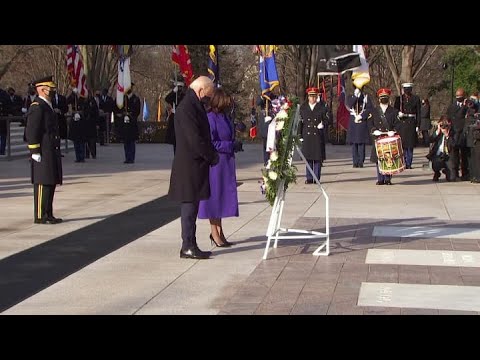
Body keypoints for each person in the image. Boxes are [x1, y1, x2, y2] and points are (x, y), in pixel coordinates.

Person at [168, 76, 219, 260]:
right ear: (200, 91)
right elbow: (195, 139)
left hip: (194, 165)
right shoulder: (187, 108)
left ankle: (191, 243)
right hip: (189, 166)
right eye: (209, 95)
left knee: (193, 207)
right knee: (189, 208)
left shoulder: (192, 104)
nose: (209, 99)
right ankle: (187, 245)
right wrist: (211, 155)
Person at [198, 88, 238, 247]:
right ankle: (214, 233)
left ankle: (219, 231)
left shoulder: (224, 116)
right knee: (214, 199)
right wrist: (230, 145)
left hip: (225, 163)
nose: (229, 105)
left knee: (221, 198)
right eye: (227, 102)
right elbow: (212, 142)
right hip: (215, 164)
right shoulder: (210, 118)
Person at [25, 76, 63, 224]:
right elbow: (32, 131)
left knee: (51, 181)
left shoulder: (47, 105)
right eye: (50, 89)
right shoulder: (37, 106)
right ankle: (41, 215)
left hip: (50, 148)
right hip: (43, 150)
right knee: (43, 182)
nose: (52, 91)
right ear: (41, 89)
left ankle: (48, 213)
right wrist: (35, 151)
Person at [368, 88, 398, 185]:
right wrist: (373, 130)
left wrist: (393, 131)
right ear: (379, 99)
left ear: (388, 98)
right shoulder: (374, 111)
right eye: (382, 97)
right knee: (379, 158)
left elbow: (397, 124)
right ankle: (380, 178)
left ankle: (388, 178)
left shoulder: (393, 111)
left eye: (385, 97)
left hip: (389, 137)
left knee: (389, 157)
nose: (384, 99)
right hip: (378, 137)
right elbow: (370, 123)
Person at [298, 87, 328, 183]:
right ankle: (309, 177)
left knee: (317, 158)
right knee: (308, 158)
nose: (313, 98)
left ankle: (316, 177)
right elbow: (300, 122)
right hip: (307, 135)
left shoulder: (322, 107)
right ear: (308, 97)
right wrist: (300, 136)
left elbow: (328, 119)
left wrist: (323, 123)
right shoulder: (303, 107)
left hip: (317, 135)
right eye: (311, 96)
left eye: (314, 96)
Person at [393, 82, 421, 169]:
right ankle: (404, 161)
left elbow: (419, 113)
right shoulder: (399, 99)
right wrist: (398, 114)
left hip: (411, 122)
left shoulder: (416, 99)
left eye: (408, 89)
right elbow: (395, 111)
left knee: (410, 144)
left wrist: (418, 125)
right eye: (406, 89)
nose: (407, 91)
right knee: (403, 144)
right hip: (402, 123)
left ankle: (409, 162)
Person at [113, 82, 140, 163]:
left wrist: (130, 115)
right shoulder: (122, 98)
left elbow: (137, 111)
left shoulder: (135, 99)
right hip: (124, 124)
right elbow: (116, 107)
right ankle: (127, 157)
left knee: (131, 141)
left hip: (131, 123)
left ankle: (131, 158)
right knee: (125, 141)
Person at [346, 84, 372, 168]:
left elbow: (369, 108)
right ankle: (355, 161)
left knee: (361, 143)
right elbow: (349, 104)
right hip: (353, 121)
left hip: (361, 120)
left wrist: (361, 116)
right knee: (354, 143)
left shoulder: (365, 97)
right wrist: (355, 96)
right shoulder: (350, 96)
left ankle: (361, 161)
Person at [446, 88, 469, 180]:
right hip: (454, 132)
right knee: (454, 154)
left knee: (464, 154)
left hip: (463, 132)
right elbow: (449, 117)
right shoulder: (452, 106)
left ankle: (465, 173)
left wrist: (464, 106)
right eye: (457, 97)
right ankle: (454, 173)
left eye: (460, 97)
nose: (458, 98)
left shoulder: (467, 106)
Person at [426, 116, 456, 182]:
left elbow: (454, 144)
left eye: (446, 125)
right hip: (438, 155)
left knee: (452, 178)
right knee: (436, 164)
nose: (444, 127)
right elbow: (429, 140)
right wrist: (437, 131)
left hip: (448, 156)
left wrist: (447, 135)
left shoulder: (453, 132)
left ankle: (446, 171)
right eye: (442, 125)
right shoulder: (438, 132)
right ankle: (437, 172)